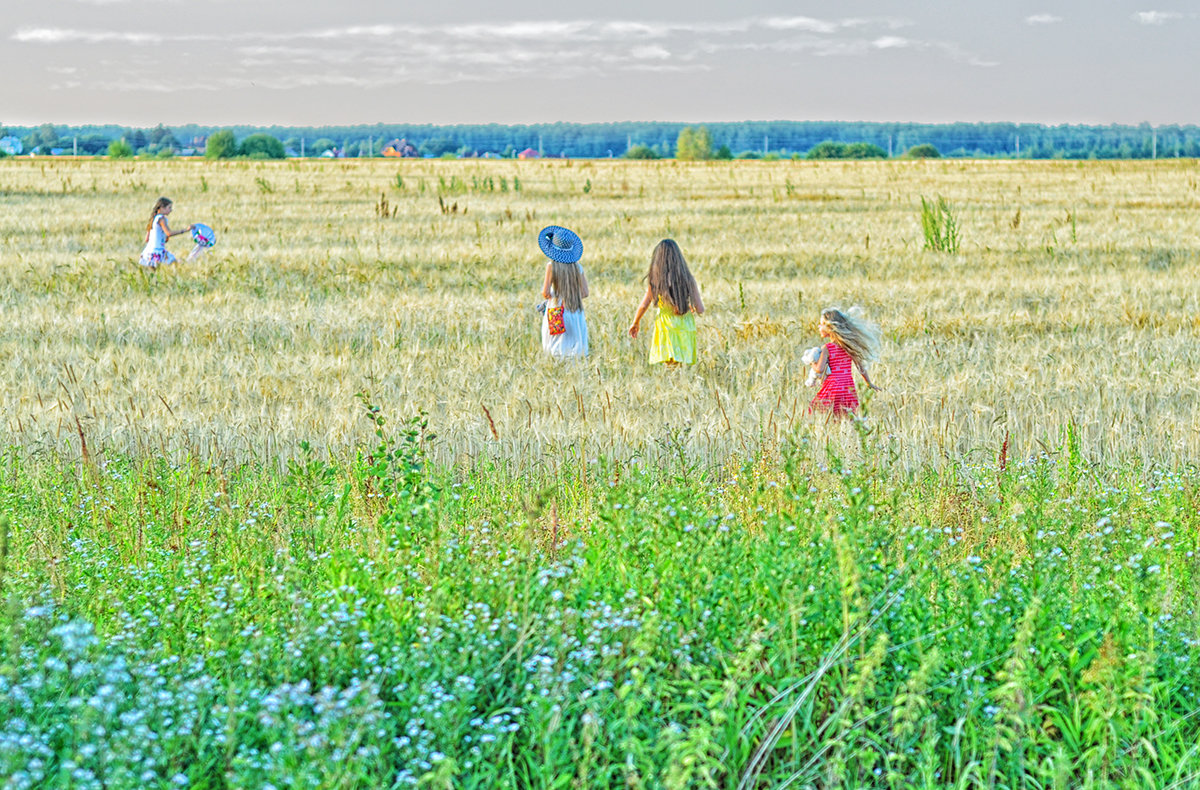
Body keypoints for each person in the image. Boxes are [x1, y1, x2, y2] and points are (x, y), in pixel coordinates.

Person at [628, 239, 705, 365]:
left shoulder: (656, 280)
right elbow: (700, 309)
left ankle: (673, 382)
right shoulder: (689, 279)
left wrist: (635, 322)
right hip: (685, 327)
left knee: (670, 368)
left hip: (666, 327)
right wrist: (687, 306)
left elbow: (644, 304)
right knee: (680, 367)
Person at [808, 307, 882, 417]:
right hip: (848, 387)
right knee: (847, 416)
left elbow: (819, 369)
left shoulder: (827, 348)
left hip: (833, 386)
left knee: (814, 411)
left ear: (829, 327)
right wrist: (869, 382)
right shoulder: (848, 346)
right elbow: (860, 366)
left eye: (821, 324)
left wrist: (812, 362)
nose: (819, 327)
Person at [537, 225, 589, 358]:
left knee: (555, 348)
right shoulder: (578, 267)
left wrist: (555, 296)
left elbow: (546, 293)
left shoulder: (551, 266)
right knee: (575, 349)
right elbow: (585, 293)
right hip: (574, 310)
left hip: (556, 311)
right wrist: (571, 294)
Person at [139, 197, 192, 269]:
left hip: (149, 251)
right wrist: (185, 230)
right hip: (157, 251)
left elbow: (147, 239)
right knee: (175, 264)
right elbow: (169, 233)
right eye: (169, 207)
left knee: (154, 275)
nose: (171, 210)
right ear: (162, 208)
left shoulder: (153, 219)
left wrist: (162, 238)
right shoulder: (161, 218)